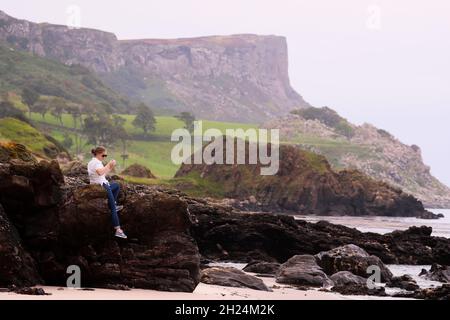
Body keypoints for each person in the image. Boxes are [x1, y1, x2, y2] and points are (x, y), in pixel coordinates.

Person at [87, 146, 127, 239]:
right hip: (101, 186)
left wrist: (110, 167)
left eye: (106, 155)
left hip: (102, 183)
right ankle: (118, 230)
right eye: (103, 155)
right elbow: (100, 173)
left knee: (117, 185)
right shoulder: (96, 163)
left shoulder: (94, 162)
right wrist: (109, 165)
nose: (104, 157)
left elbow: (102, 174)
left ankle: (113, 204)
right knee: (113, 208)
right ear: (98, 153)